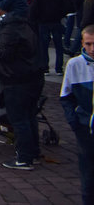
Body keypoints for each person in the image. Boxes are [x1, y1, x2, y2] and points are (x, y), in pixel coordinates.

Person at [0, 0, 44, 170]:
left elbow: (4, 53)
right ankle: (33, 152)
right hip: (31, 76)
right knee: (29, 115)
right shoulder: (23, 25)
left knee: (19, 119)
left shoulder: (9, 29)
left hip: (17, 78)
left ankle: (24, 157)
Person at [61, 24, 94, 205]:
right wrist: (74, 121)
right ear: (82, 43)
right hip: (84, 126)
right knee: (88, 172)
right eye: (88, 44)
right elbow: (66, 96)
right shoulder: (75, 64)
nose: (92, 49)